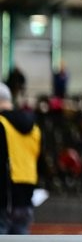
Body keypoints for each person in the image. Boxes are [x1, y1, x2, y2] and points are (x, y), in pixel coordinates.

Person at [0, 82, 42, 234]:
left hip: (4, 199)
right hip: (26, 199)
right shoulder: (34, 128)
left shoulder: (1, 124)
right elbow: (39, 162)